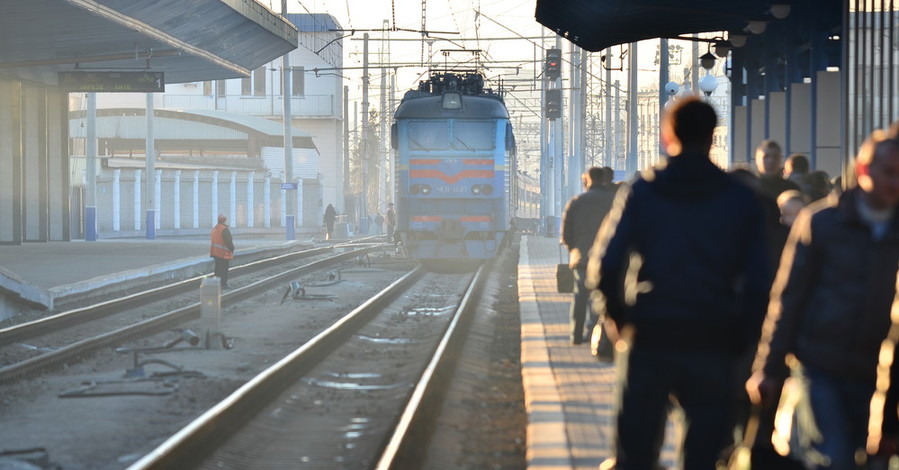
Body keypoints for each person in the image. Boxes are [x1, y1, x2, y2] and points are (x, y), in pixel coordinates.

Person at [586, 96, 770, 470]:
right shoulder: (740, 198)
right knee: (704, 454)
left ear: (667, 136)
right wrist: (742, 337)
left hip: (651, 334)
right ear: (712, 138)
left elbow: (604, 266)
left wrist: (617, 317)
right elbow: (759, 281)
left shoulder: (643, 192)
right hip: (714, 336)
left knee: (635, 451)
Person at [747, 131, 899, 469]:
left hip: (882, 377)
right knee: (834, 458)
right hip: (821, 368)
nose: (895, 182)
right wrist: (768, 369)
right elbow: (788, 298)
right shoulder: (822, 223)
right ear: (863, 170)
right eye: (888, 172)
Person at [560, 166, 616, 345]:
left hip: (582, 258)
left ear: (588, 180)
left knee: (580, 297)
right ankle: (595, 333)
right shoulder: (615, 201)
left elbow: (566, 233)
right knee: (601, 296)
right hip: (607, 259)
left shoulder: (576, 201)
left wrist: (574, 250)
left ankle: (575, 335)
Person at [210, 214, 235, 289]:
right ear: (224, 221)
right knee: (224, 270)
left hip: (215, 252)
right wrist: (232, 249)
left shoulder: (214, 229)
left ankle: (216, 284)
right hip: (223, 253)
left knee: (217, 269)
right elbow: (228, 241)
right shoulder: (224, 229)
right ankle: (223, 284)